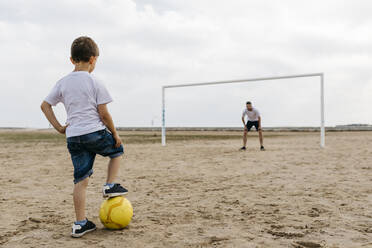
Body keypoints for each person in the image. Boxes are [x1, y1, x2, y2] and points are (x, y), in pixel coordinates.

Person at [40, 36, 128, 238]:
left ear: (71, 60)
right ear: (93, 59)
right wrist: (114, 133)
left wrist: (59, 128)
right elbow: (104, 114)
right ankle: (110, 185)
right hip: (94, 132)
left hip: (73, 137)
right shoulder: (95, 81)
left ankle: (80, 224)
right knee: (117, 150)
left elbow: (45, 105)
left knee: (81, 179)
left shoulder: (62, 82)